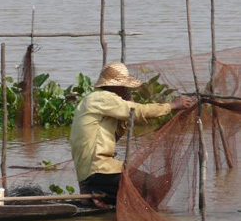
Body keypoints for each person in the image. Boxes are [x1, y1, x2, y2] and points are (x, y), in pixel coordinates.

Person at [69, 62, 195, 208]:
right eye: (123, 85)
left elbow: (115, 135)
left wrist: (128, 105)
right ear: (113, 86)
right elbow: (137, 111)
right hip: (101, 171)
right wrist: (172, 106)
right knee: (156, 186)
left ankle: (103, 198)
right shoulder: (103, 98)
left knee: (142, 187)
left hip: (91, 175)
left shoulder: (92, 100)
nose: (126, 89)